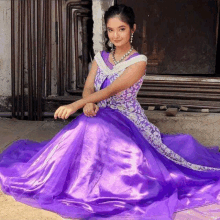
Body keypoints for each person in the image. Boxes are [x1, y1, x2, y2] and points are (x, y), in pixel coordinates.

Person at [1, 4, 220, 220]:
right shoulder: (100, 57)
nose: (115, 35)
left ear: (133, 29)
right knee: (87, 126)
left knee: (93, 127)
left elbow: (109, 91)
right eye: (110, 29)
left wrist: (75, 105)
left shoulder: (139, 62)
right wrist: (87, 103)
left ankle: (102, 188)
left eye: (121, 29)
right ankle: (76, 184)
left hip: (127, 117)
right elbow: (89, 87)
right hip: (97, 111)